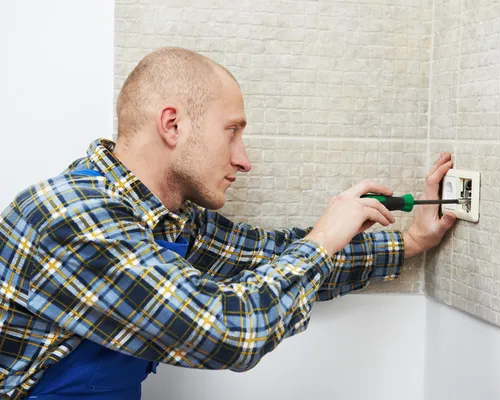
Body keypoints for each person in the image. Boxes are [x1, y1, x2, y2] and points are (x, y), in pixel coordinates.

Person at [0, 47, 456, 399]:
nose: (244, 160)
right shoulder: (72, 217)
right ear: (173, 125)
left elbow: (273, 258)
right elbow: (226, 331)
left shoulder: (167, 219)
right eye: (232, 131)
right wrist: (320, 242)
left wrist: (411, 240)